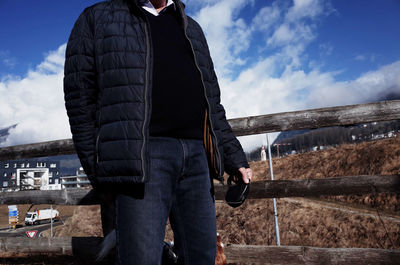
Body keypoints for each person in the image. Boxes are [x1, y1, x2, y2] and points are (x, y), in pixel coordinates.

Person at [63, 0, 252, 264]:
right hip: (142, 159)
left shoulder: (191, 28)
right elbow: (79, 99)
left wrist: (234, 158)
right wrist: (100, 171)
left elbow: (211, 103)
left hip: (197, 157)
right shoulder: (97, 18)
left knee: (202, 257)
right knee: (140, 259)